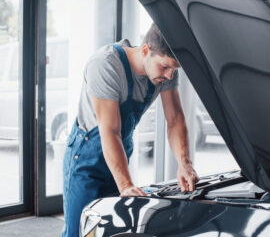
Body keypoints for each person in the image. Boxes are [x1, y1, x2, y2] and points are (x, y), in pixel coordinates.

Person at [61, 23, 199, 237]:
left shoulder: (165, 72)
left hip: (119, 152)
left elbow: (175, 119)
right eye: (165, 67)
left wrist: (185, 163)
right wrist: (125, 185)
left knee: (111, 229)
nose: (170, 76)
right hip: (87, 161)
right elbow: (110, 131)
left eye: (174, 69)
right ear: (145, 50)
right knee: (81, 230)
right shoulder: (105, 65)